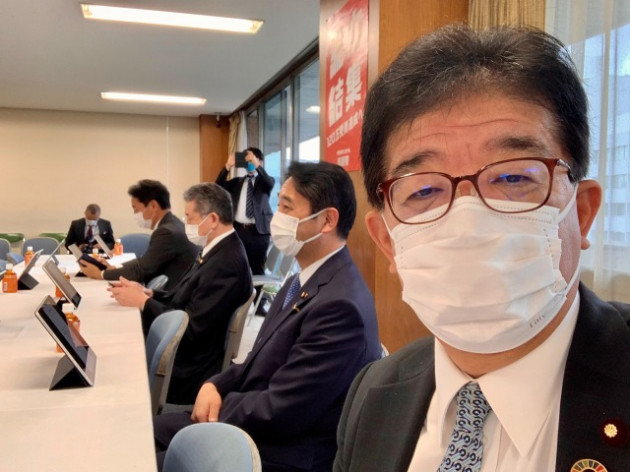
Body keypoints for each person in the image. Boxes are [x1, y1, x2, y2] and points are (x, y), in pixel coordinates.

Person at [334, 25, 630, 472]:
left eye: (513, 177)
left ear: (582, 212)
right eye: (423, 190)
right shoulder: (373, 393)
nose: (468, 219)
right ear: (388, 242)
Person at [154, 162, 381, 472]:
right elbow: (256, 360)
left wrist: (219, 407)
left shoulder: (340, 307)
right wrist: (216, 385)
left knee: (149, 460)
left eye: (287, 207)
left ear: (327, 220)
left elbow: (284, 410)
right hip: (255, 417)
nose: (276, 218)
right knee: (146, 431)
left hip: (281, 450)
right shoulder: (299, 280)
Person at [108, 182, 253, 404]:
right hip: (191, 352)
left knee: (119, 354)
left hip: (190, 367)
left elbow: (192, 329)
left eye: (190, 218)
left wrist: (144, 303)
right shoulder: (216, 248)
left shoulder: (226, 263)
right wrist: (149, 294)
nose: (186, 223)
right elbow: (183, 296)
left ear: (213, 219)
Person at [79, 180, 197, 292]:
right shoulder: (171, 225)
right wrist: (115, 268)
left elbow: (141, 270)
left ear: (153, 206)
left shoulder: (167, 232)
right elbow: (144, 261)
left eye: (135, 208)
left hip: (170, 296)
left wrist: (100, 274)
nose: (135, 214)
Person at [216, 147, 274, 313]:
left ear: (259, 161)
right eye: (246, 160)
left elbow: (270, 182)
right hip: (238, 231)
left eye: (252, 159)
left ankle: (259, 305)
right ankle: (236, 302)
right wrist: (227, 166)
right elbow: (218, 186)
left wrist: (256, 165)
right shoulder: (237, 182)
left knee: (257, 268)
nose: (248, 162)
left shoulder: (265, 182)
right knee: (236, 266)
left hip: (258, 233)